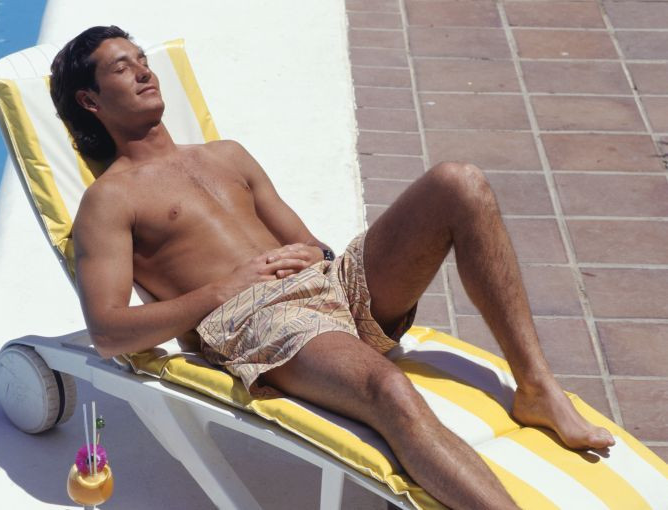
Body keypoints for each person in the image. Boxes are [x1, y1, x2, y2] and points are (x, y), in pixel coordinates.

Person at [50, 25, 615, 509]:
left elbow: (312, 245)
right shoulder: (110, 200)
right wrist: (223, 289)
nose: (144, 72)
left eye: (142, 60)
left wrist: (317, 256)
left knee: (458, 183)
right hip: (259, 321)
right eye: (122, 68)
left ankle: (536, 387)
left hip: (328, 284)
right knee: (389, 390)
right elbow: (108, 333)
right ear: (90, 102)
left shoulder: (226, 155)